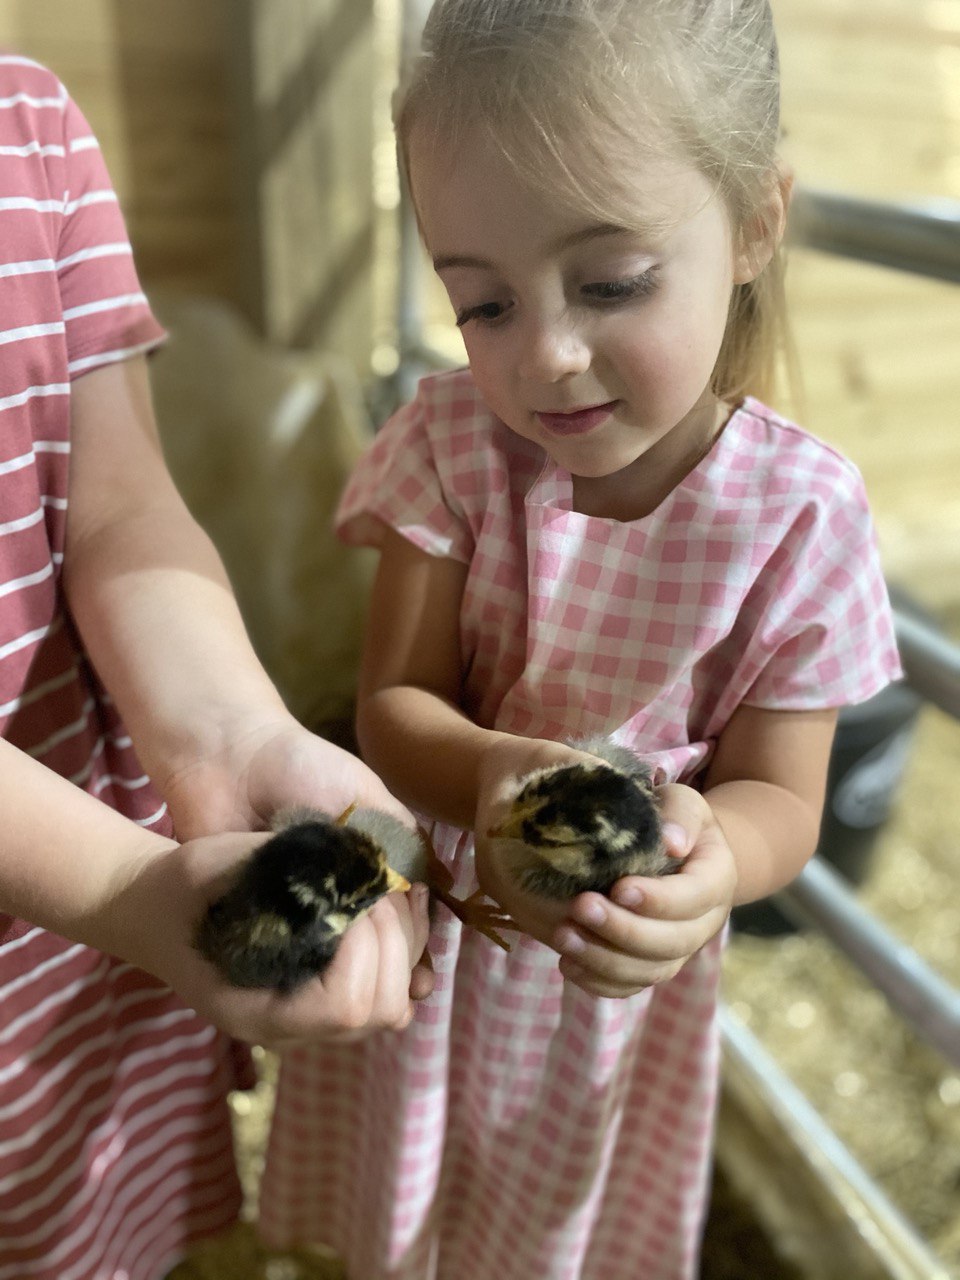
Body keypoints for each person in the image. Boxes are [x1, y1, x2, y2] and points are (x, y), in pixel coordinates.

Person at [258, 2, 903, 1277]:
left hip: (612, 978)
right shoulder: (451, 446)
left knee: (547, 1229)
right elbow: (393, 703)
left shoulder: (799, 515)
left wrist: (716, 865)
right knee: (397, 1217)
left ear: (754, 222)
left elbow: (784, 795)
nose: (546, 355)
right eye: (483, 301)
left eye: (609, 282)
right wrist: (488, 779)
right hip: (436, 936)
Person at [0, 52, 432, 1280]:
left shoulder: (27, 125)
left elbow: (120, 506)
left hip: (84, 970)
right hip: (109, 889)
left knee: (110, 1228)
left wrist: (238, 737)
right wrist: (133, 889)